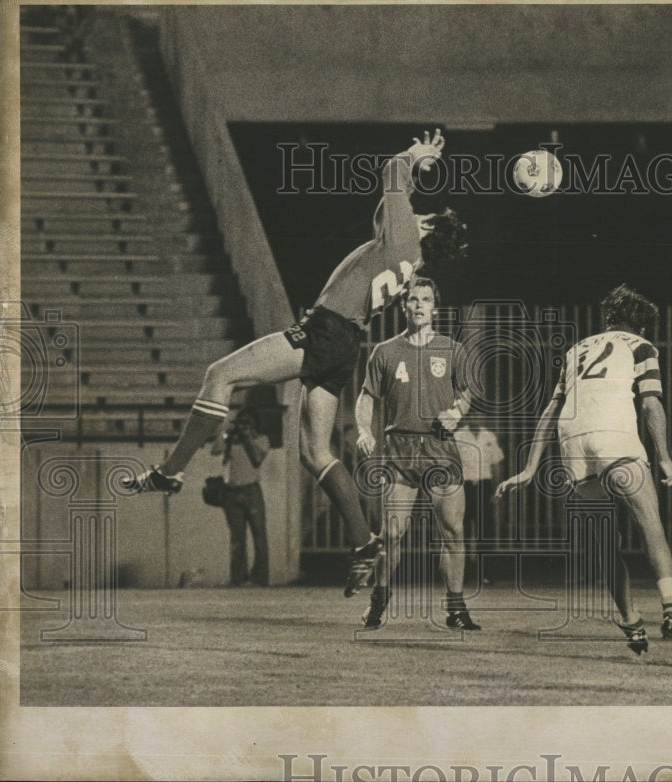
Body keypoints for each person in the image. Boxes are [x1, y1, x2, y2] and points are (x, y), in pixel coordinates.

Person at [125, 130, 468, 597]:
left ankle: (171, 471)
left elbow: (391, 174)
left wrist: (417, 155)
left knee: (219, 375)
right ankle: (365, 541)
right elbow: (383, 216)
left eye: (422, 215)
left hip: (325, 331)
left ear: (427, 228)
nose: (416, 213)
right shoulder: (409, 258)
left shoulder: (408, 235)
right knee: (316, 453)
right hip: (345, 345)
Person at [496, 284, 672, 657]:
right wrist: (663, 457)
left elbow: (551, 409)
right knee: (649, 519)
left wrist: (530, 468)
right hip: (614, 437)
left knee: (606, 542)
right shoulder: (641, 346)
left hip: (572, 444)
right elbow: (651, 405)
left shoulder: (577, 349)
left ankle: (630, 621)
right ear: (641, 325)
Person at [355, 277, 480, 631]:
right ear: (404, 306)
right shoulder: (385, 352)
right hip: (401, 448)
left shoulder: (453, 349)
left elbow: (467, 391)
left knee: (453, 530)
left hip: (440, 447)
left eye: (426, 299)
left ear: (434, 307)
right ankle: (379, 600)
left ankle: (456, 608)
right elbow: (366, 397)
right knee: (392, 532)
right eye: (413, 299)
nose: (420, 305)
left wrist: (457, 413)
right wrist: (364, 429)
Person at [210, 407, 270, 587]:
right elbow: (215, 451)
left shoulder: (261, 439)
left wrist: (247, 436)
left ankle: (259, 578)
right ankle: (238, 578)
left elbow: (257, 459)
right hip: (231, 491)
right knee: (237, 540)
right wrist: (223, 434)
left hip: (251, 489)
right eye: (241, 422)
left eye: (247, 422)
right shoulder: (231, 441)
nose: (243, 426)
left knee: (259, 537)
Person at [453, 418, 505, 585]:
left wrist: (497, 488)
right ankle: (464, 573)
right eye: (473, 415)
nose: (476, 419)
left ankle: (486, 573)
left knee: (485, 530)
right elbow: (453, 464)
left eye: (479, 416)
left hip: (484, 485)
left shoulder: (488, 436)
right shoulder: (459, 436)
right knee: (464, 531)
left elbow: (496, 465)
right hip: (465, 486)